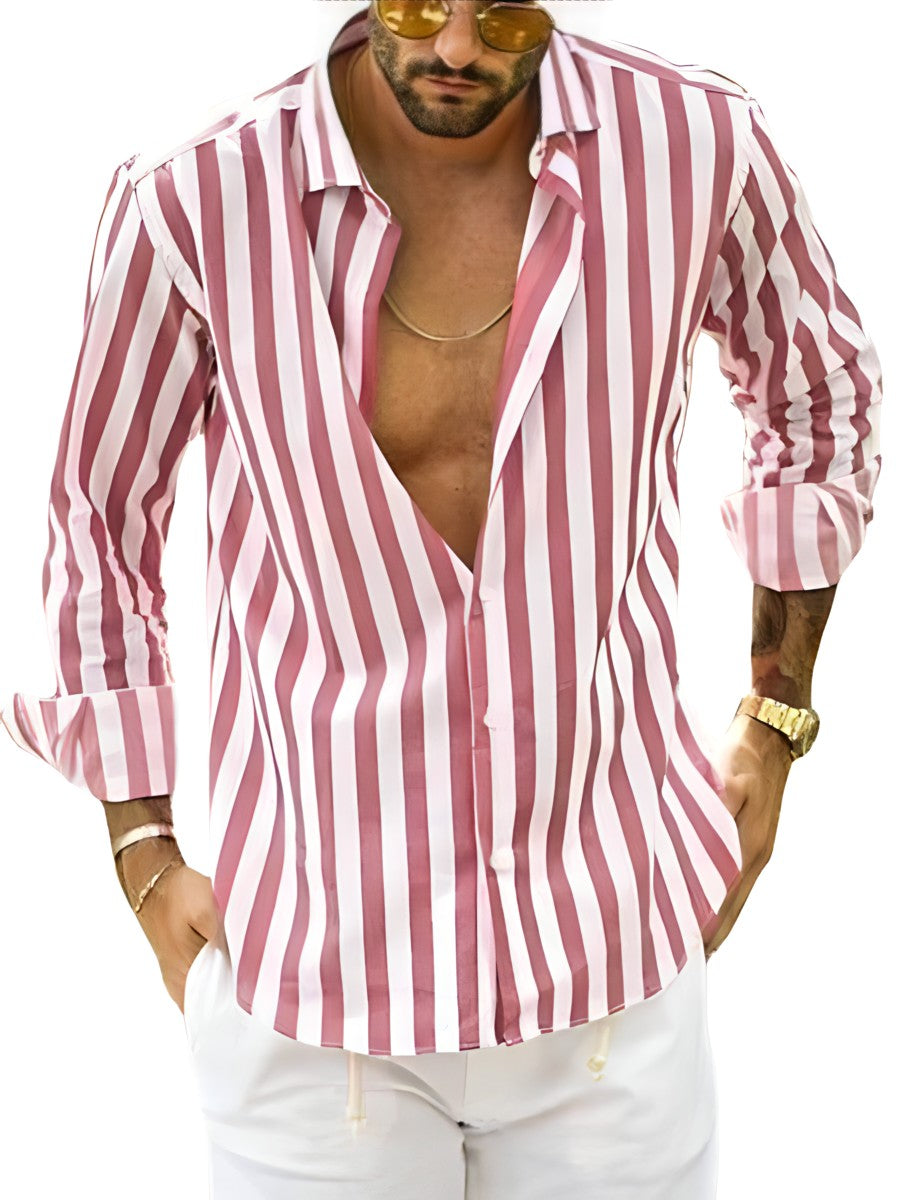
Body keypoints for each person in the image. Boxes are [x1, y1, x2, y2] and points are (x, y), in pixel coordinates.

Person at [0, 2, 882, 1196]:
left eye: (502, 13)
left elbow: (818, 400)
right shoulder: (196, 200)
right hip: (314, 1003)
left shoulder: (699, 146)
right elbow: (98, 521)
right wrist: (141, 849)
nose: (458, 47)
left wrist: (775, 721)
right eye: (420, 6)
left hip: (612, 975)